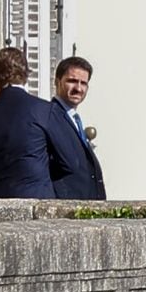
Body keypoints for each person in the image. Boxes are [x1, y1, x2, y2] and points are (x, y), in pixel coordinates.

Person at [0, 47, 77, 198]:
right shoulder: (45, 110)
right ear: (25, 74)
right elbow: (70, 162)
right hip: (36, 197)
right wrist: (38, 173)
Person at [51, 56, 106, 200]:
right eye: (72, 81)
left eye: (83, 83)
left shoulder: (74, 118)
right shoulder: (50, 117)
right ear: (57, 82)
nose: (78, 88)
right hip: (67, 204)